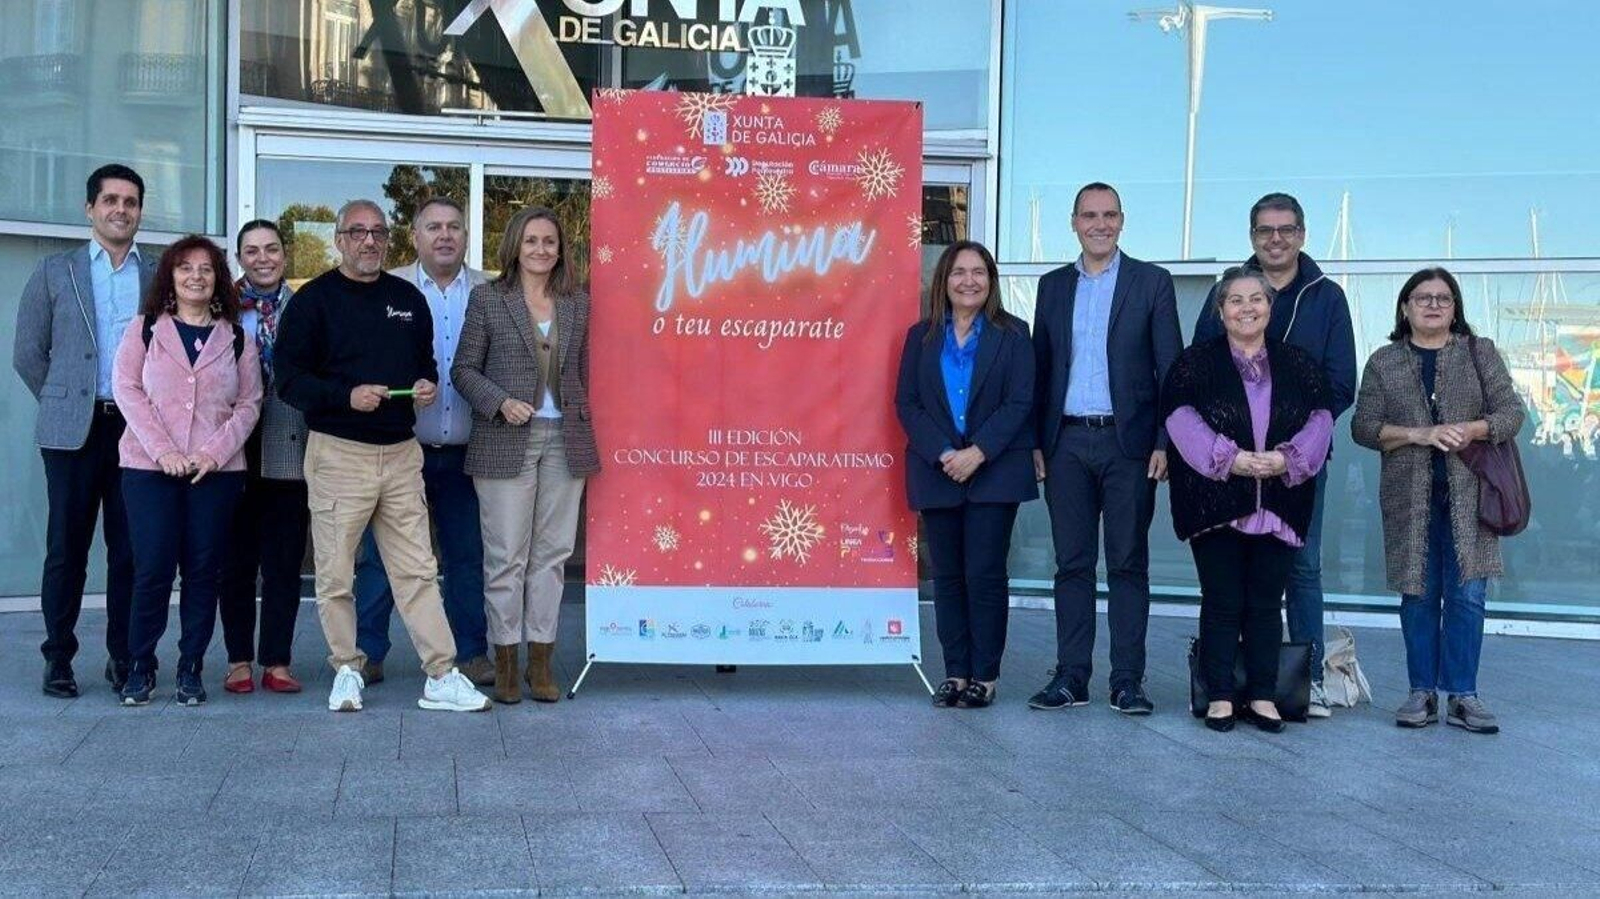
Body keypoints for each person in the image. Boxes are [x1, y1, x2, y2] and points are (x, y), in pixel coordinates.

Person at [274, 198, 491, 714]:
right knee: (335, 572)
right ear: (339, 239)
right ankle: (347, 669)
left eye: (377, 232)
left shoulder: (407, 299)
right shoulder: (313, 302)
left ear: (388, 240)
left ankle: (441, 674)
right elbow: (289, 381)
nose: (368, 241)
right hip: (339, 454)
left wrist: (425, 385)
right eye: (357, 232)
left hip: (400, 455)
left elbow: (425, 367)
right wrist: (345, 396)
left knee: (417, 568)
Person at [1191, 193, 1357, 718]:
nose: (1276, 238)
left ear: (1303, 235)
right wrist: (1227, 449)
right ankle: (1231, 683)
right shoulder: (1227, 291)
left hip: (1296, 466)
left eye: (1286, 229)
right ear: (1252, 236)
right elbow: (1198, 369)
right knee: (1231, 578)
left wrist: (1292, 450)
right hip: (1229, 465)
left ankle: (1305, 682)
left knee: (1302, 570)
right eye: (1265, 230)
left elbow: (1339, 386)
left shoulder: (1327, 297)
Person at [1028, 182, 1183, 714]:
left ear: (1123, 220)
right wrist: (1035, 442)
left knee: (1127, 563)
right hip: (1066, 441)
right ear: (1073, 222)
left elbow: (1172, 369)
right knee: (1071, 564)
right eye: (1090, 215)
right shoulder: (1052, 287)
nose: (1100, 224)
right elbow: (1040, 368)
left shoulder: (1152, 282)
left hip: (1130, 445)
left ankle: (1127, 681)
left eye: (1109, 215)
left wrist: (1165, 440)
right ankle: (1071, 677)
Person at [1351, 267, 1524, 734]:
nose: (1432, 305)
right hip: (1409, 497)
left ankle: (1464, 696)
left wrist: (1471, 429)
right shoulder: (1383, 361)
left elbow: (1512, 413)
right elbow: (1363, 428)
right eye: (1422, 297)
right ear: (1405, 307)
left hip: (1473, 496)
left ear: (1455, 308)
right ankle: (1421, 693)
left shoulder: (1479, 352)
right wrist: (1418, 434)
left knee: (1468, 596)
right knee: (1418, 594)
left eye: (1443, 298)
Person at [1163, 267, 1332, 733]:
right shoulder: (1195, 362)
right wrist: (1231, 459)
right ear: (1221, 311)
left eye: (1255, 299)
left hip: (1279, 499)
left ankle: (1262, 695)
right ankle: (1219, 695)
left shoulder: (1298, 363)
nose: (1246, 308)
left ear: (1269, 308)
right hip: (1216, 501)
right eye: (1235, 301)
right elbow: (1179, 418)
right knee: (1221, 599)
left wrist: (1286, 460)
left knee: (1265, 601)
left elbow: (1321, 419)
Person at [14, 164, 155, 698]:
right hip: (73, 431)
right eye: (111, 200)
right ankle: (58, 658)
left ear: (140, 211)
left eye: (131, 201)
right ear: (90, 208)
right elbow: (29, 352)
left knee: (130, 550)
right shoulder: (56, 272)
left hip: (137, 431)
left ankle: (123, 657)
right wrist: (64, 400)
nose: (121, 209)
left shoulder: (158, 275)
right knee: (66, 548)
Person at [452, 207, 598, 704]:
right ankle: (507, 662)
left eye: (550, 241)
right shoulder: (489, 299)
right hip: (505, 439)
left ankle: (541, 663)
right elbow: (464, 370)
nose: (541, 249)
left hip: (565, 440)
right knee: (506, 557)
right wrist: (500, 401)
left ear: (561, 249)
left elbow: (583, 371)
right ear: (515, 245)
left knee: (552, 556)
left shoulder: (578, 303)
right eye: (532, 240)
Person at [112, 236, 262, 705]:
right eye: (185, 268)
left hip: (214, 475)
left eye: (206, 268)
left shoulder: (238, 336)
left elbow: (249, 404)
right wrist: (164, 453)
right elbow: (127, 390)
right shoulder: (143, 330)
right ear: (170, 277)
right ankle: (140, 665)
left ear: (218, 278)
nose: (195, 276)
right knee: (152, 568)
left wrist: (211, 454)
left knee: (203, 571)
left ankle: (190, 667)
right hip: (148, 470)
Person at [353, 197, 493, 689]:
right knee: (379, 556)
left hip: (467, 453)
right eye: (433, 226)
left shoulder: (490, 291)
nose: (445, 235)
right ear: (414, 236)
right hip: (399, 451)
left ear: (465, 235)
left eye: (454, 226)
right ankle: (368, 652)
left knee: (465, 556)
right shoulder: (385, 289)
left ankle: (471, 652)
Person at [894, 241, 1035, 708]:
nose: (968, 280)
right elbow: (907, 403)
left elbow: (1019, 401)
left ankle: (985, 676)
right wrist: (942, 453)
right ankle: (955, 672)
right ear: (944, 281)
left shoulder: (1014, 334)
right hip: (938, 470)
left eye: (978, 272)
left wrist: (978, 452)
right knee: (948, 576)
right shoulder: (921, 336)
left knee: (985, 573)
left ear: (991, 281)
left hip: (993, 470)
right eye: (959, 272)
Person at [217, 220, 311, 694]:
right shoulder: (219, 306)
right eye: (251, 251)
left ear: (284, 255)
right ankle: (238, 659)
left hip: (289, 441)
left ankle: (277, 660)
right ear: (239, 257)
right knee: (234, 560)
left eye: (271, 249)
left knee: (283, 560)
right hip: (230, 445)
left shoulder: (308, 307)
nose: (262, 258)